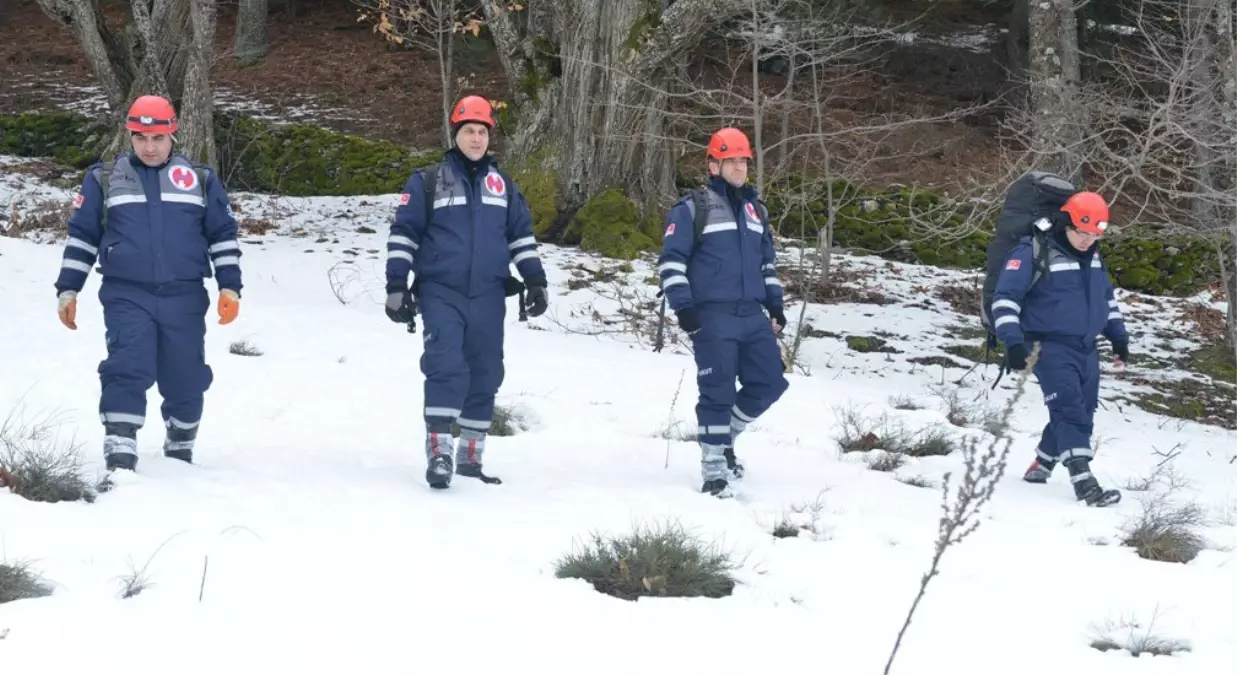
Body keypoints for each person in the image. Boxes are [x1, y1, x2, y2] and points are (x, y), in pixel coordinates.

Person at [54, 94, 243, 472]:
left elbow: (222, 235)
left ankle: (181, 443)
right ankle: (120, 448)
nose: (150, 146)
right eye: (141, 138)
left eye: (158, 138)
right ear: (130, 135)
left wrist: (230, 286)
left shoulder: (199, 180)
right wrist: (68, 288)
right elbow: (83, 237)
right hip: (127, 293)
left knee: (186, 373)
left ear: (173, 134)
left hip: (184, 295)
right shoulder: (104, 179)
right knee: (127, 362)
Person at [384, 94, 548, 490]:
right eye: (468, 131)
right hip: (442, 290)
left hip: (490, 294)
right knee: (445, 363)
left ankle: (471, 456)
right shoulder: (428, 181)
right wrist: (395, 286)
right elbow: (403, 235)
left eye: (482, 132)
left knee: (487, 371)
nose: (476, 139)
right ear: (455, 134)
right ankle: (439, 451)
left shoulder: (502, 185)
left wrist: (536, 281)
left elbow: (521, 239)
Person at [656, 127, 789, 497]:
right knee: (717, 391)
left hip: (751, 315)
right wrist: (684, 308)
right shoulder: (691, 209)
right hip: (711, 316)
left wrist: (774, 304)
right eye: (730, 160)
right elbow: (671, 263)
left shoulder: (755, 210)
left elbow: (767, 265)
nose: (738, 167)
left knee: (770, 382)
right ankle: (714, 467)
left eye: (743, 160)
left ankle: (724, 437)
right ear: (713, 164)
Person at [990, 190, 1127, 507]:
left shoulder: (1092, 258)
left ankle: (1043, 462)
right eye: (1082, 232)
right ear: (1065, 223)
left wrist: (1118, 337)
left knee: (1084, 411)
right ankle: (1084, 482)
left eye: (1094, 235)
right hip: (1045, 345)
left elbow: (1107, 300)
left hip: (1086, 348)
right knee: (1068, 408)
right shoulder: (1031, 252)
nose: (1087, 240)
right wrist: (1011, 342)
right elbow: (1005, 300)